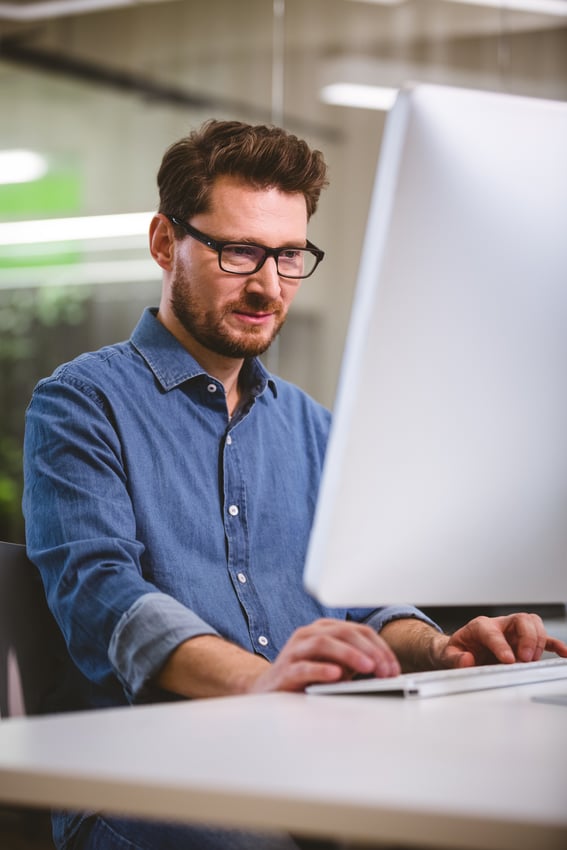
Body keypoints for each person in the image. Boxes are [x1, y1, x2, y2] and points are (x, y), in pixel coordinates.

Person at [23, 119, 567, 850]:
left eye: (287, 255)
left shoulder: (312, 426)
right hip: (153, 779)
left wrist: (440, 651)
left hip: (311, 761)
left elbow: (362, 600)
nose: (268, 285)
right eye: (239, 251)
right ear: (164, 243)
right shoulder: (81, 402)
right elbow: (102, 596)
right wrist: (258, 682)